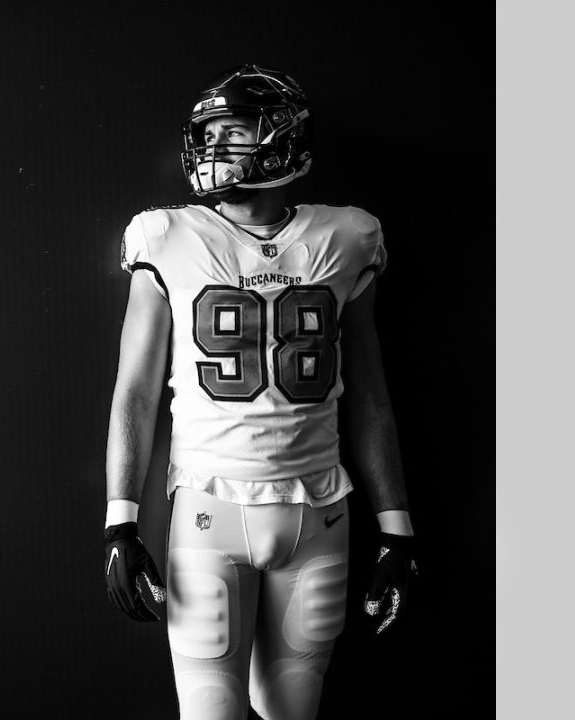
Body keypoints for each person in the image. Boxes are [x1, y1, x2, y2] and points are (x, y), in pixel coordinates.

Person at [102, 64, 418, 720]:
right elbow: (134, 392)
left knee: (293, 712)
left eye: (231, 132)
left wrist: (398, 526)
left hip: (320, 516)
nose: (213, 147)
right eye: (208, 133)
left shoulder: (346, 237)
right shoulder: (169, 237)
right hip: (209, 514)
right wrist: (120, 522)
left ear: (280, 136)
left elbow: (370, 396)